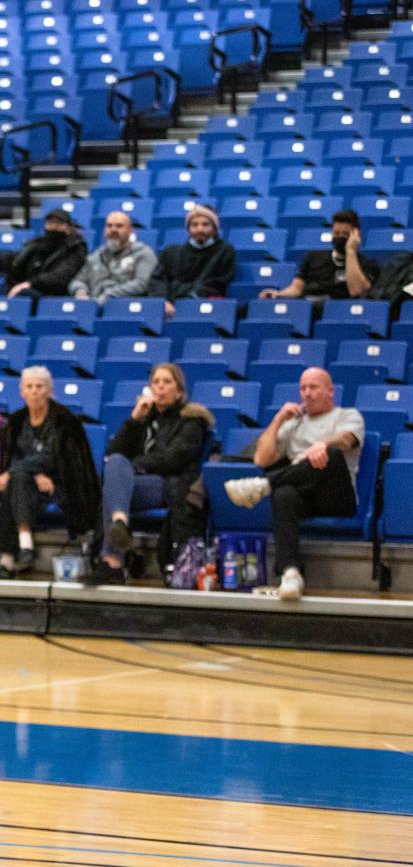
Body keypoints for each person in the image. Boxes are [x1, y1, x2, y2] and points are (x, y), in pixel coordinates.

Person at [224, 367, 363, 601]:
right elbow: (261, 459)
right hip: (304, 495)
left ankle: (263, 485)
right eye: (303, 388)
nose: (307, 393)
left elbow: (347, 439)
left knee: (331, 455)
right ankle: (290, 572)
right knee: (284, 494)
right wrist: (278, 420)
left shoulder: (347, 415)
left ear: (330, 391)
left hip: (337, 495)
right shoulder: (293, 424)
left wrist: (323, 444)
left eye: (314, 387)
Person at [93, 362, 214, 585]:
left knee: (115, 481)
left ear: (179, 390)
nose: (160, 387)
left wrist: (134, 466)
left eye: (167, 382)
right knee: (116, 464)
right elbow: (113, 454)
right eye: (155, 382)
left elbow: (172, 459)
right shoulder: (145, 418)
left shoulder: (191, 420)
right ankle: (120, 521)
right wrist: (134, 419)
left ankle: (112, 563)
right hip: (134, 485)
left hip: (170, 485)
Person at [0, 366, 99, 578]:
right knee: (19, 481)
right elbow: (13, 454)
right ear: (21, 391)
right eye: (29, 386)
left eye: (40, 386)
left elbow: (53, 457)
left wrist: (13, 471)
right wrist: (33, 474)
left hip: (62, 481)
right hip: (30, 483)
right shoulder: (16, 421)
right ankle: (24, 546)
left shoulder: (65, 421)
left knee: (16, 480)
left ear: (49, 390)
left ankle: (9, 557)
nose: (34, 391)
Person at [260, 208, 379, 303]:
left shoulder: (367, 263)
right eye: (336, 233)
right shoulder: (313, 257)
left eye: (345, 234)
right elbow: (296, 289)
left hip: (334, 309)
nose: (340, 237)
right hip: (307, 305)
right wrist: (279, 294)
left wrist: (350, 251)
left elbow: (357, 291)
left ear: (355, 236)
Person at [0, 209, 88, 300]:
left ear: (67, 227)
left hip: (52, 296)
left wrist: (29, 284)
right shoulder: (38, 245)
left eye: (58, 224)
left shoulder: (75, 249)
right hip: (29, 291)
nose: (53, 227)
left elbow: (60, 277)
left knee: (22, 295)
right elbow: (11, 259)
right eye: (50, 223)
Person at [146, 205, 236, 317]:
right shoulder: (171, 252)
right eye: (194, 225)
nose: (200, 229)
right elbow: (157, 280)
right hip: (167, 308)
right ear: (188, 229)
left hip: (201, 307)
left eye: (205, 224)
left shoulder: (225, 251)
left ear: (214, 228)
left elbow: (216, 283)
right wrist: (163, 302)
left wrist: (185, 302)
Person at [69, 211, 158, 303]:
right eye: (109, 226)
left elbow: (142, 284)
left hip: (124, 306)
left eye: (119, 226)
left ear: (131, 230)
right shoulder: (96, 256)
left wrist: (108, 295)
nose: (113, 230)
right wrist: (80, 292)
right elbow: (78, 280)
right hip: (92, 305)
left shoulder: (144, 253)